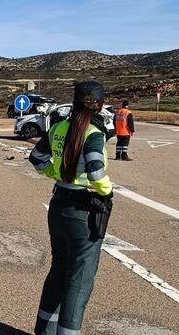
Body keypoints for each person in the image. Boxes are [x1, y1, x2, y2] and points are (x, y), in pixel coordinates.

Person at [28, 80, 114, 335]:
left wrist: (57, 173)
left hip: (58, 206)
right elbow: (96, 171)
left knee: (58, 271)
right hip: (83, 211)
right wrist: (107, 191)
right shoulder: (94, 132)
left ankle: (44, 331)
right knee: (79, 280)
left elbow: (37, 158)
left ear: (75, 102)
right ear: (99, 105)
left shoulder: (58, 127)